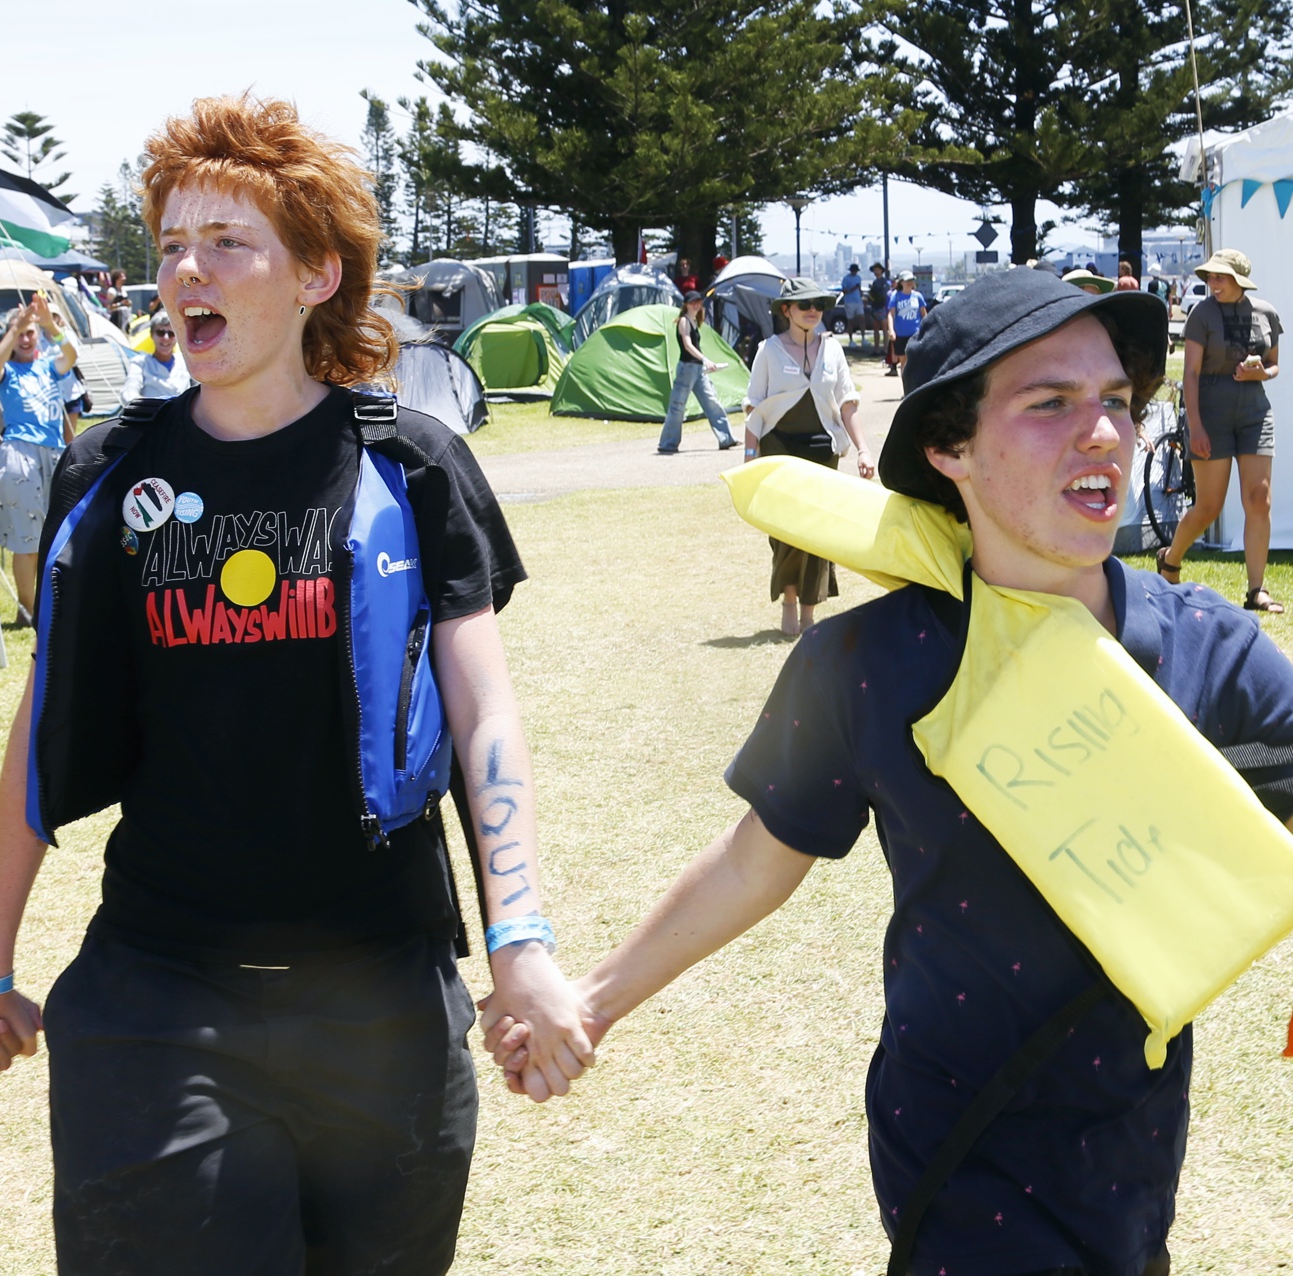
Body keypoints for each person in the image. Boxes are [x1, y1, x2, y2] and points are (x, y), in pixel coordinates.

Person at [0, 94, 591, 1275]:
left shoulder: (408, 465)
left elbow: (483, 711)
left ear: (315, 275)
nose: (189, 268)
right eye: (173, 244)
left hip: (383, 999)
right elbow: (43, 728)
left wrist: (520, 940)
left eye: (229, 242)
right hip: (157, 996)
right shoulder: (111, 472)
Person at [490, 268, 1262, 1276]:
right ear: (951, 449)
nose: (1104, 433)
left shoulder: (1210, 648)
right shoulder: (867, 662)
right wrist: (590, 1002)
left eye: (1115, 398)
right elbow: (753, 861)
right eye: (1050, 403)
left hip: (1134, 1163)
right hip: (953, 1160)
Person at [740, 278, 873, 635]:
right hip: (778, 449)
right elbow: (753, 405)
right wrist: (750, 457)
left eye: (818, 304)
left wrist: (862, 449)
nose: (813, 310)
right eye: (804, 305)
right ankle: (788, 601)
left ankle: (810, 613)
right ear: (787, 310)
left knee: (818, 532)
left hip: (822, 450)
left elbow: (847, 403)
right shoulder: (769, 350)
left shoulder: (833, 350)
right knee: (786, 531)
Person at [1159, 248, 1285, 612]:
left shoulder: (1266, 313)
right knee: (1209, 506)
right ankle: (1171, 559)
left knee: (1259, 500)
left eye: (1220, 277)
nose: (1212, 283)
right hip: (1210, 412)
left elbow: (1275, 365)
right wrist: (1194, 425)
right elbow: (1191, 374)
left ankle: (1256, 591)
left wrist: (1262, 372)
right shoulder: (1202, 314)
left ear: (1239, 280)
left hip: (1255, 412)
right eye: (1210, 277)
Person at [0, 295, 78, 624]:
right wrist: (15, 327)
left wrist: (49, 325)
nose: (25, 339)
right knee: (26, 539)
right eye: (20, 334)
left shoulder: (48, 367)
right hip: (19, 452)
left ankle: (46, 603)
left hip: (52, 453)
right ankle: (28, 609)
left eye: (29, 334)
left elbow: (71, 355)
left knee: (52, 535)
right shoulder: (7, 372)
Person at [657, 290, 735, 454]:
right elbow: (687, 345)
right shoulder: (684, 322)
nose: (696, 305)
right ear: (686, 304)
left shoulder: (694, 321)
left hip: (698, 369)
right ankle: (667, 443)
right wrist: (705, 359)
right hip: (687, 368)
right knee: (677, 407)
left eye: (699, 302)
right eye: (693, 302)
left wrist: (703, 362)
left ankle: (726, 438)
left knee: (712, 402)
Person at [120, 309, 192, 405]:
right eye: (160, 332)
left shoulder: (185, 361)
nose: (166, 338)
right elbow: (129, 392)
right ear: (151, 335)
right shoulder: (140, 363)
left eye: (171, 334)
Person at [886, 269, 928, 378]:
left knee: (916, 361)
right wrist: (891, 330)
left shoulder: (918, 296)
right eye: (907, 280)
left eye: (912, 280)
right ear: (901, 282)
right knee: (903, 361)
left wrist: (927, 329)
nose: (910, 283)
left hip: (915, 334)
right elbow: (891, 314)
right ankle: (906, 389)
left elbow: (924, 315)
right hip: (901, 334)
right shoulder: (896, 296)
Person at [866, 262, 891, 357]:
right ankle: (876, 349)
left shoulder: (885, 282)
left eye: (878, 269)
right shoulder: (875, 282)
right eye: (875, 270)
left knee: (885, 329)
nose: (876, 272)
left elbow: (884, 295)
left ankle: (885, 349)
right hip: (875, 307)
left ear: (881, 270)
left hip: (882, 307)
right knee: (875, 329)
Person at [839, 263, 865, 344]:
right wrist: (853, 288)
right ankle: (851, 340)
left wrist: (862, 297)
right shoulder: (846, 279)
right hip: (849, 302)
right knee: (850, 321)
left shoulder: (858, 278)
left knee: (862, 319)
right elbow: (844, 291)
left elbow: (859, 289)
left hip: (858, 301)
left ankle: (863, 338)